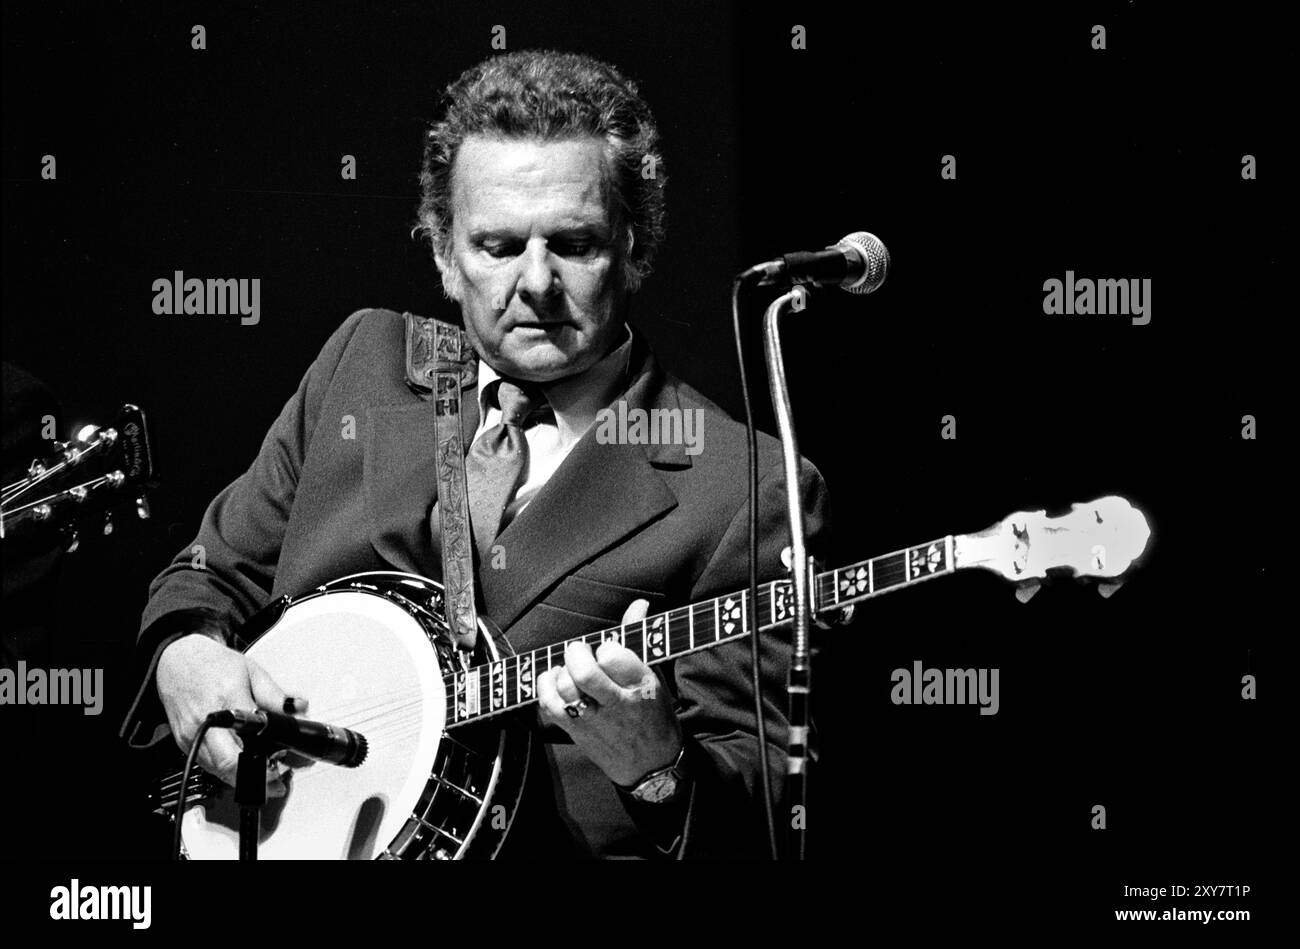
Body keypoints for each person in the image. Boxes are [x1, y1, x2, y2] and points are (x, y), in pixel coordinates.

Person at [121, 49, 829, 859]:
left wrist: (659, 769)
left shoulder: (745, 487)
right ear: (442, 254)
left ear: (635, 248)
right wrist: (186, 655)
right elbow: (207, 574)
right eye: (498, 245)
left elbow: (769, 821)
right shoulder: (362, 365)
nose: (536, 281)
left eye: (574, 242)